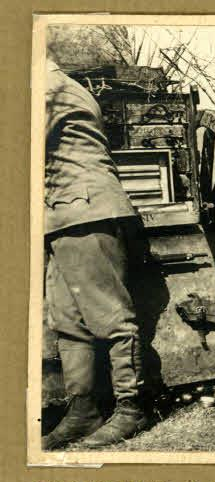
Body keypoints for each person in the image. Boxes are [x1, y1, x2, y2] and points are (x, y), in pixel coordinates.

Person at [42, 59, 149, 449]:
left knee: (111, 318)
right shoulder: (54, 86)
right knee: (68, 321)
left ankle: (131, 409)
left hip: (86, 211)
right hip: (62, 215)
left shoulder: (49, 90)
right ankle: (83, 410)